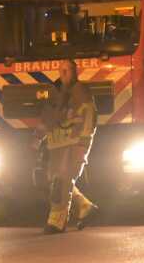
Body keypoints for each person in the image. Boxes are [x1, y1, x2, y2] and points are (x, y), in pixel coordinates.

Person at [41, 59, 98, 234]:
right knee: (54, 180)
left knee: (61, 181)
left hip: (74, 143)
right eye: (61, 70)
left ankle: (57, 222)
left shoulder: (81, 92)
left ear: (75, 72)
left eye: (68, 70)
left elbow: (89, 117)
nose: (63, 73)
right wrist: (40, 139)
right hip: (57, 144)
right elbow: (50, 118)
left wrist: (83, 142)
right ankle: (84, 207)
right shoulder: (57, 92)